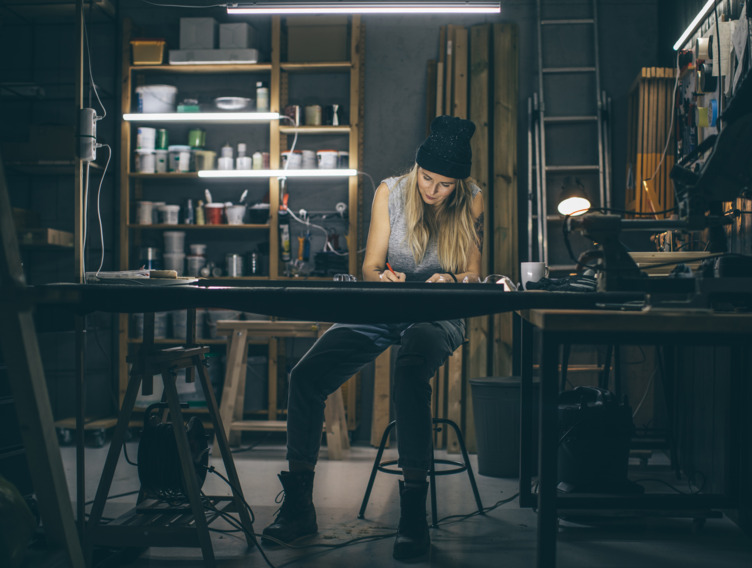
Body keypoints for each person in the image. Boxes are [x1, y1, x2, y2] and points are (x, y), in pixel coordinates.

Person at [262, 115, 484, 560]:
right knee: (305, 376)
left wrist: (451, 279)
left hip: (440, 314)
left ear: (458, 184)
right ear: (416, 169)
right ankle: (301, 507)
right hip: (385, 306)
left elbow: (474, 274)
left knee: (410, 372)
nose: (432, 190)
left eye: (444, 184)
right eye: (426, 178)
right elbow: (369, 267)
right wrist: (386, 277)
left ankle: (413, 515)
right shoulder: (391, 191)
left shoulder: (471, 200)